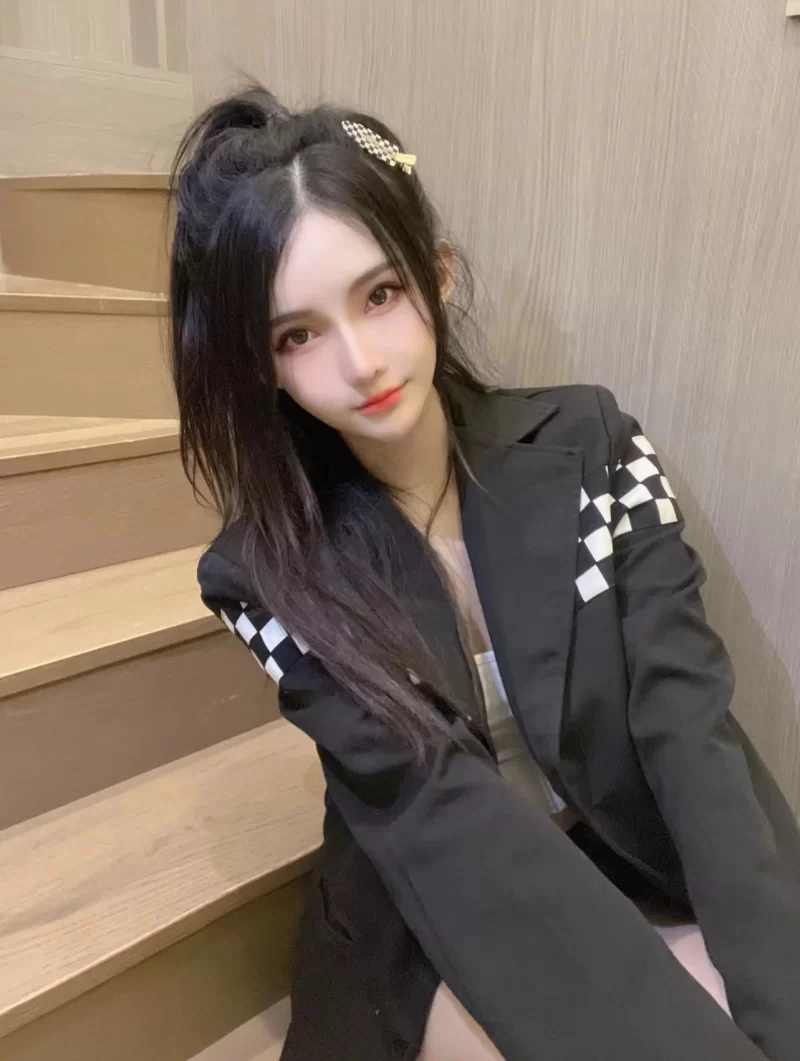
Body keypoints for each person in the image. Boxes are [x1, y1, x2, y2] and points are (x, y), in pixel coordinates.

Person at [170, 83, 800, 1061]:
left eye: (380, 294)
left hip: (616, 853)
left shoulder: (594, 448)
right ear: (265, 364)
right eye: (299, 333)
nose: (359, 360)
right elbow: (440, 816)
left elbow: (688, 725)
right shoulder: (262, 573)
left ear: (437, 273)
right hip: (430, 905)